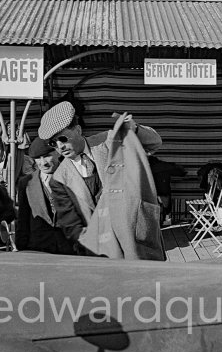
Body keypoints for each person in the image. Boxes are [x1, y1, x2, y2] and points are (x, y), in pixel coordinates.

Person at [37, 102, 162, 256]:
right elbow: (71, 225)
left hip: (134, 236)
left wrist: (134, 129)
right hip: (100, 252)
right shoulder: (59, 179)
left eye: (62, 139)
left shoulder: (110, 140)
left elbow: (155, 143)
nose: (60, 147)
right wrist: (92, 246)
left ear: (78, 130)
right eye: (53, 143)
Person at [16, 137, 75, 254]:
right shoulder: (26, 183)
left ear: (57, 152)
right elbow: (23, 219)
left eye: (47, 156)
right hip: (38, 249)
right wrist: (21, 248)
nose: (43, 163)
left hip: (70, 248)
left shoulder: (74, 177)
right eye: (38, 158)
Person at [148, 155, 187, 226]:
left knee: (153, 206)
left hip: (152, 190)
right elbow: (181, 172)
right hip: (164, 190)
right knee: (166, 207)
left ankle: (155, 221)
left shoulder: (147, 167)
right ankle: (167, 220)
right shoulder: (165, 166)